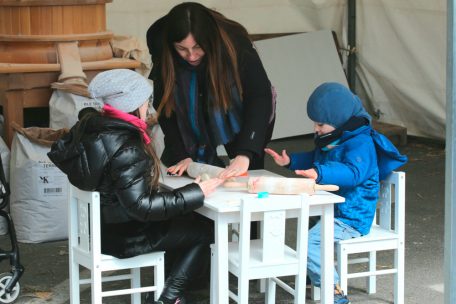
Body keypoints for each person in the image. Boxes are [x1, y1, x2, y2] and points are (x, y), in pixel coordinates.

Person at [48, 69, 224, 304]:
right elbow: (142, 206)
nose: (148, 107)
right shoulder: (126, 146)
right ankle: (168, 297)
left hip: (102, 229)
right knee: (205, 231)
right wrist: (196, 192)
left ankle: (165, 291)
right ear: (132, 104)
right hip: (126, 235)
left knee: (186, 221)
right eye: (145, 101)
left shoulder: (95, 130)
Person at [265, 82, 407, 304]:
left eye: (320, 123)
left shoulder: (361, 142)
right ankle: (315, 276)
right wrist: (290, 161)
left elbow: (353, 173)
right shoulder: (335, 136)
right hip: (331, 208)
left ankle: (335, 292)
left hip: (351, 216)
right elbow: (316, 158)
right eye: (315, 123)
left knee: (310, 242)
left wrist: (320, 173)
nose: (316, 128)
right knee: (307, 229)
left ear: (338, 118)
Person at [147, 2, 276, 179]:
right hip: (188, 101)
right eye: (182, 49)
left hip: (233, 102)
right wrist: (182, 154)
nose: (191, 56)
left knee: (245, 170)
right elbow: (165, 105)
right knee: (189, 170)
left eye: (198, 47)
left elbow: (259, 96)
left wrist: (245, 153)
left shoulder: (234, 40)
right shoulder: (158, 38)